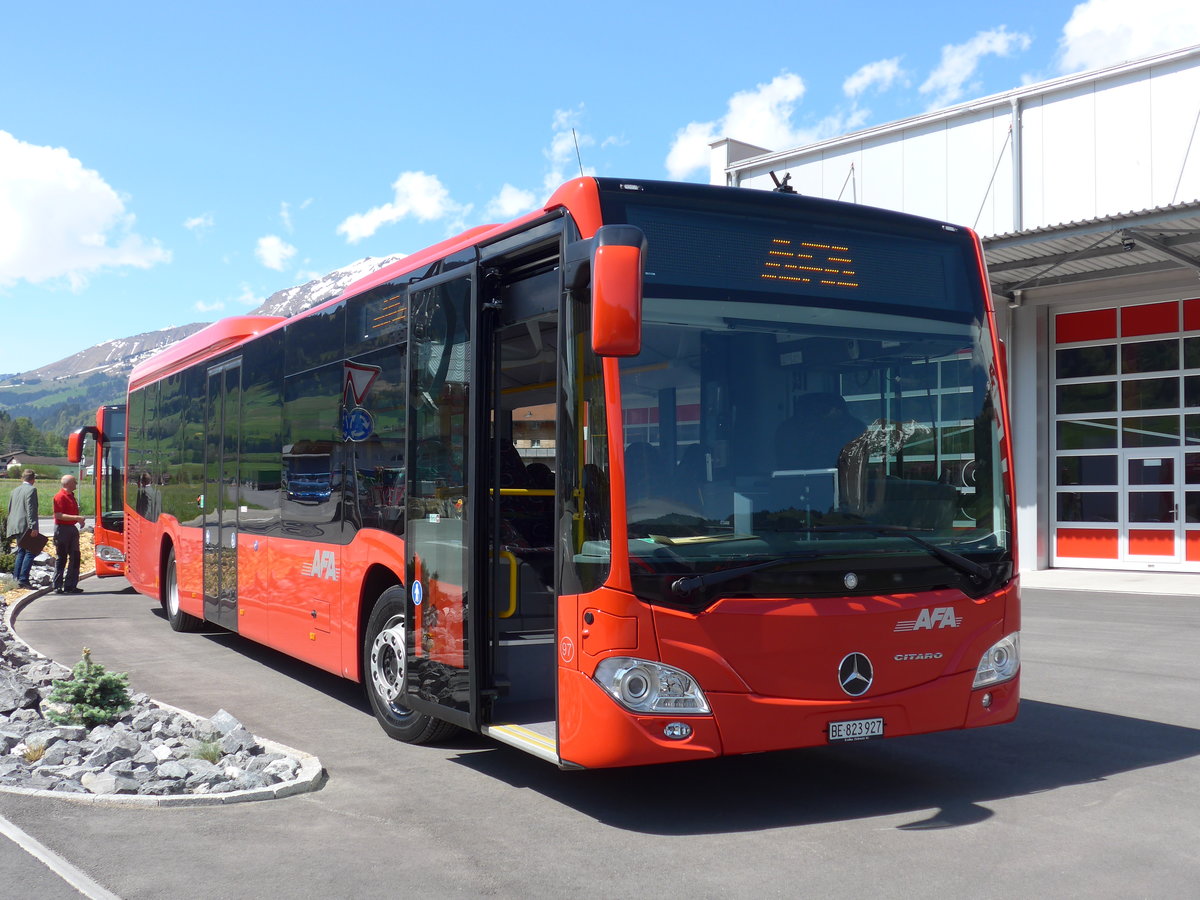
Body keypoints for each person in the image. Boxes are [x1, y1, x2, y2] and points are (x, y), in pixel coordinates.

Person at [5, 469, 39, 589]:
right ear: (33, 479)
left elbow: (10, 508)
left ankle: (16, 578)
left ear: (22, 478)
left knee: (21, 551)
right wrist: (33, 526)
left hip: (15, 524)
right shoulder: (32, 490)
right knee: (30, 552)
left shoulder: (15, 490)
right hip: (26, 525)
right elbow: (31, 509)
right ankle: (23, 579)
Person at [52, 474, 86, 594]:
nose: (76, 484)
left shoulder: (71, 496)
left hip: (71, 528)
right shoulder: (60, 496)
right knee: (61, 557)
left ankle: (70, 585)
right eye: (74, 482)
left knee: (75, 557)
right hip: (62, 529)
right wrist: (77, 517)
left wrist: (77, 520)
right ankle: (57, 585)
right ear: (68, 484)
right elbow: (58, 515)